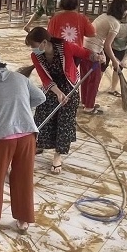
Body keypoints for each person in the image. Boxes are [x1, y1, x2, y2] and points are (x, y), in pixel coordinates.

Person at [0, 50, 46, 234]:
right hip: (27, 135)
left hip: (1, 138)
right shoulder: (19, 78)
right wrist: (19, 104)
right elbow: (40, 98)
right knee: (23, 177)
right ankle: (23, 221)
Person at [25, 28, 104, 173]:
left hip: (70, 86)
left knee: (64, 120)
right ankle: (40, 144)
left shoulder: (65, 47)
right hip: (52, 88)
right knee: (42, 114)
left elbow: (85, 54)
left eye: (34, 46)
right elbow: (45, 79)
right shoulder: (36, 56)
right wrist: (57, 93)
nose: (33, 49)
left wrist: (97, 57)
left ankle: (57, 156)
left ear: (44, 42)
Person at [80, 0, 127, 115]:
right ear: (123, 11)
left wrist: (105, 54)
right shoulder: (115, 24)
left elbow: (99, 38)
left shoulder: (103, 16)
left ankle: (85, 102)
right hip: (92, 51)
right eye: (126, 10)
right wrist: (115, 61)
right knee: (94, 79)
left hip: (83, 47)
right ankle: (89, 107)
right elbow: (108, 45)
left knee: (85, 78)